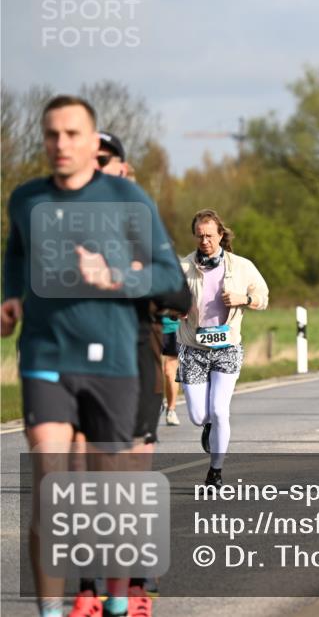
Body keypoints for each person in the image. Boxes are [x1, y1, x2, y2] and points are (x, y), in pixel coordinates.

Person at [2, 96, 185, 617]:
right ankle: (51, 611)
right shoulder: (26, 199)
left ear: (92, 138)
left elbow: (173, 282)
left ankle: (118, 601)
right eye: (52, 135)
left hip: (113, 363)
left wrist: (118, 278)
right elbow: (15, 250)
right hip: (45, 353)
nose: (61, 144)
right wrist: (12, 295)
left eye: (73, 134)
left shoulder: (127, 199)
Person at [177, 209, 268, 487]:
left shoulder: (241, 266)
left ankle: (215, 471)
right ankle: (207, 428)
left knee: (220, 410)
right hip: (193, 347)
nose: (205, 241)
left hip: (227, 346)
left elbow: (263, 298)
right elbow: (164, 302)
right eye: (200, 236)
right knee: (198, 416)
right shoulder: (182, 267)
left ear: (220, 235)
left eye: (209, 235)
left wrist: (244, 297)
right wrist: (175, 309)